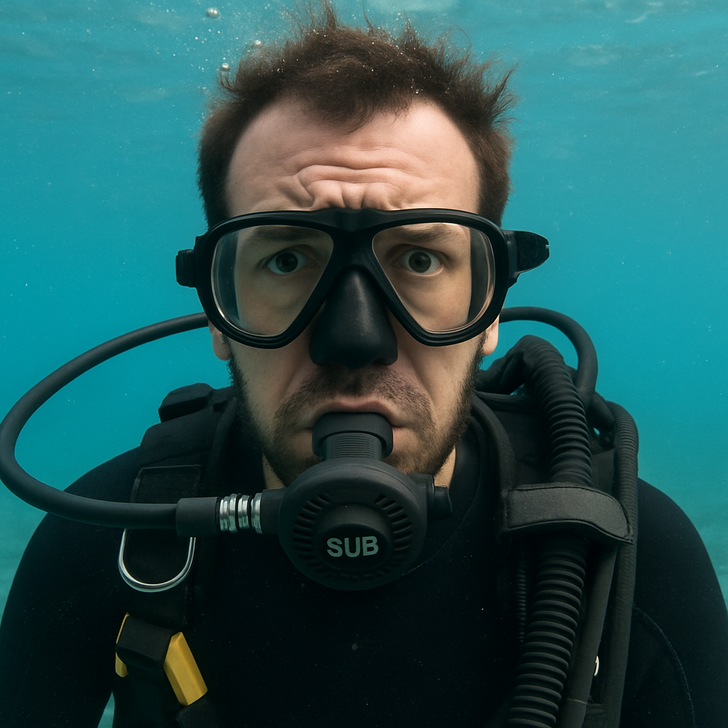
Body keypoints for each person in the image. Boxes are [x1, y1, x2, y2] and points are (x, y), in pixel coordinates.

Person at [1, 4, 727, 726]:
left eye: (420, 259)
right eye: (287, 259)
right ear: (220, 313)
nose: (354, 343)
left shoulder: (628, 559)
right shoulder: (109, 542)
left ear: (491, 308)